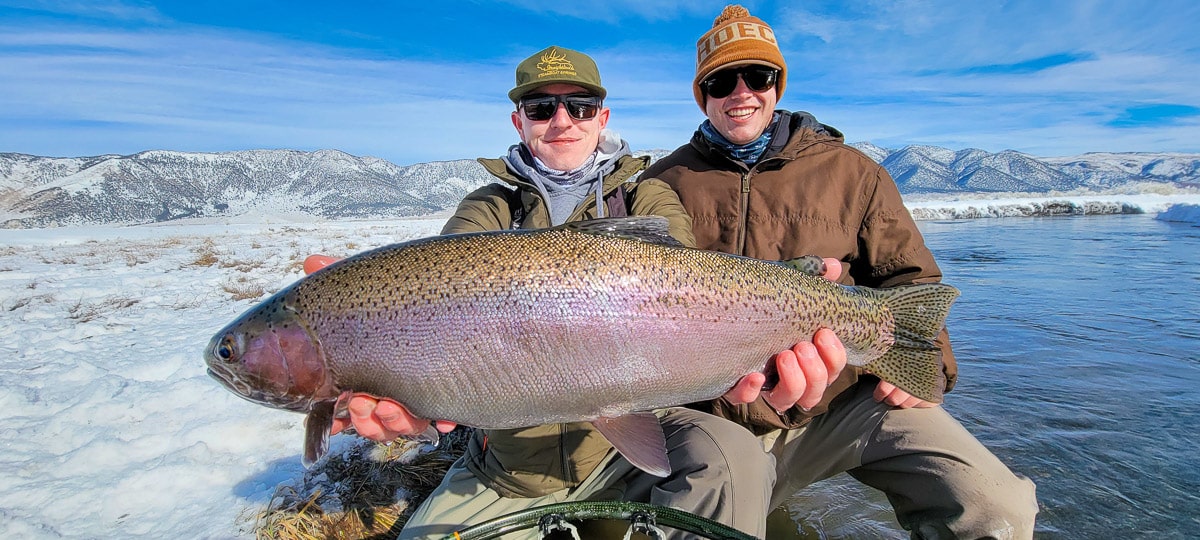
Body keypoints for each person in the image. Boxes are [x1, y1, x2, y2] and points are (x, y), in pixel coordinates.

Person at [327, 45, 845, 540]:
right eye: (540, 106)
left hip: (638, 438)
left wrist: (737, 357)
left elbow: (686, 293)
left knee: (736, 461)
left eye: (579, 105)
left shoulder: (647, 195)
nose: (561, 119)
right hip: (512, 469)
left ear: (602, 117)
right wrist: (369, 333)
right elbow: (440, 292)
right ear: (519, 121)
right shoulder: (487, 210)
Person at [641, 5, 1040, 539]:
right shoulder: (661, 184)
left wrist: (928, 365)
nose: (740, 92)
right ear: (703, 94)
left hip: (836, 409)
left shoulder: (854, 173)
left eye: (757, 76)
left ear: (777, 85)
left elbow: (910, 281)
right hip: (709, 419)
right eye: (719, 81)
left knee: (993, 504)